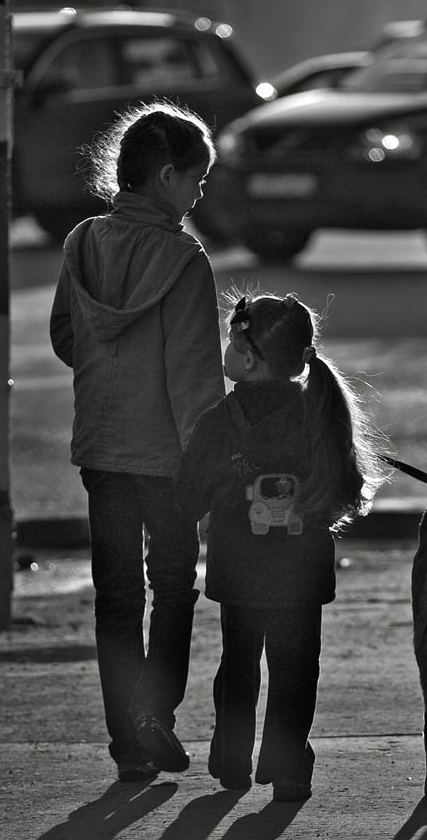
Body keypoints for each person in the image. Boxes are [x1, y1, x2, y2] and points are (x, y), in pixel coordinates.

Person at [49, 101, 225, 782]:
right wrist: (208, 467)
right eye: (196, 179)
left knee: (116, 594)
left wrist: (109, 377)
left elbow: (68, 337)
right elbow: (192, 379)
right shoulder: (184, 260)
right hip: (168, 459)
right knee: (173, 586)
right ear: (164, 176)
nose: (201, 193)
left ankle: (126, 739)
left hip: (101, 446)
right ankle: (156, 712)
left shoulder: (84, 244)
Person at [173, 291, 388, 802]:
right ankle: (289, 766)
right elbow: (343, 489)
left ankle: (231, 758)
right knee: (296, 667)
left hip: (240, 570)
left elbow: (186, 499)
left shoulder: (218, 422)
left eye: (230, 340)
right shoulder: (322, 413)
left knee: (239, 662)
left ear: (247, 359)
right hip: (302, 570)